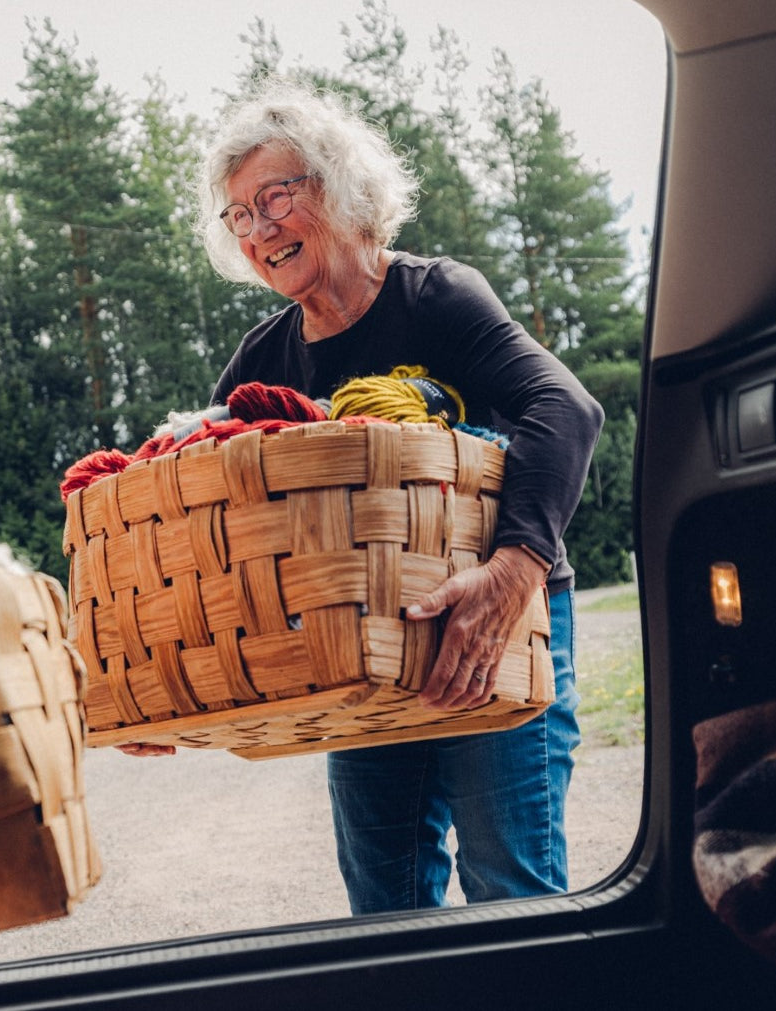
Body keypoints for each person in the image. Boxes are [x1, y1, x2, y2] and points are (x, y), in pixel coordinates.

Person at [161, 80, 604, 914]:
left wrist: (514, 571)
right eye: (239, 217)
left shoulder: (435, 296)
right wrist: (166, 692)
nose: (258, 231)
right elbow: (205, 515)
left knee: (512, 895)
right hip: (363, 651)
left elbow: (567, 409)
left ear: (338, 186)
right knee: (384, 905)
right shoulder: (265, 358)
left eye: (275, 198)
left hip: (502, 620)